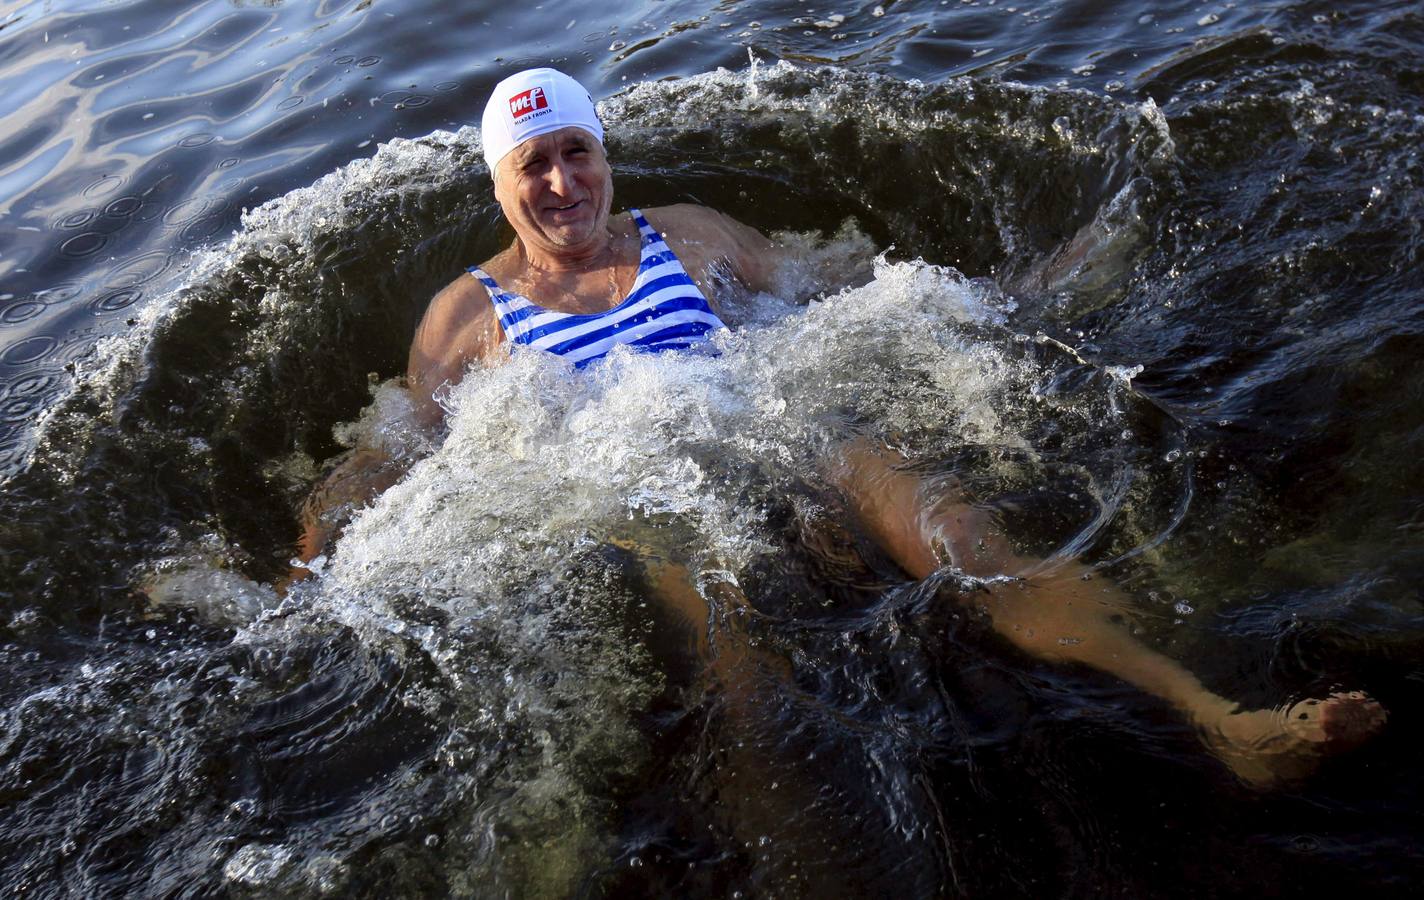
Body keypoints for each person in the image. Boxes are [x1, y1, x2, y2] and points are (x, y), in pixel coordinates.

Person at [295, 67, 1385, 789]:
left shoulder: (686, 233)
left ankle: (1210, 716)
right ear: (497, 183)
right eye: (532, 164)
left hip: (782, 422)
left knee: (958, 529)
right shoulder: (465, 318)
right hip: (651, 503)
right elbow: (394, 458)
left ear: (602, 151)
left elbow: (854, 294)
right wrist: (309, 569)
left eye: (575, 151)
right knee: (742, 668)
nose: (562, 180)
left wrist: (1011, 294)